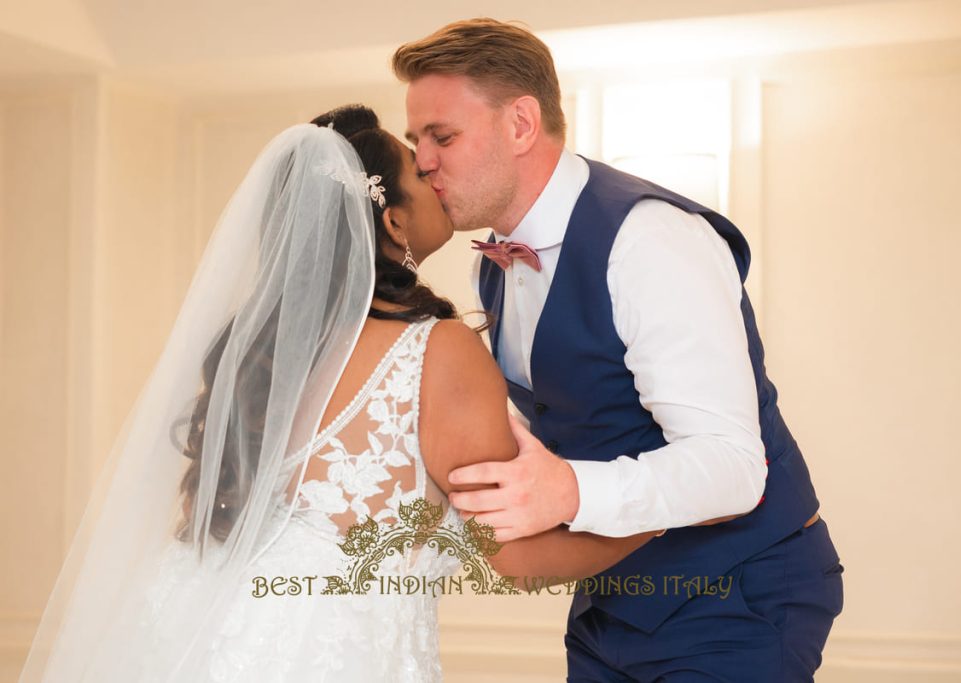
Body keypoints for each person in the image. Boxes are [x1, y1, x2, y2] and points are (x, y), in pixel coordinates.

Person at [18, 106, 659, 683]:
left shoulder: (260, 355)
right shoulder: (436, 350)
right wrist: (670, 507)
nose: (435, 173)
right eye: (417, 167)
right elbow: (517, 559)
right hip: (327, 654)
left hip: (197, 629)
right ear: (393, 219)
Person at [393, 18, 845, 682]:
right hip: (612, 599)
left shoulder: (649, 240)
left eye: (443, 136)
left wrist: (569, 489)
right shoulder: (491, 267)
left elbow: (733, 466)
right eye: (415, 141)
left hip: (738, 594)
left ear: (521, 124)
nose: (423, 160)